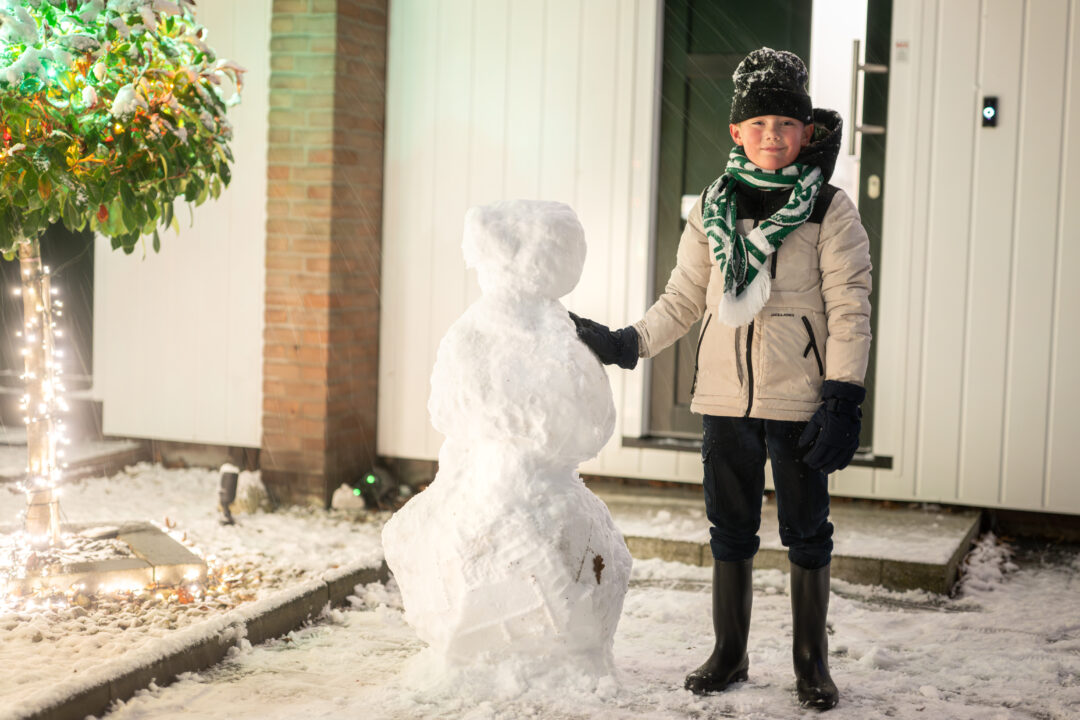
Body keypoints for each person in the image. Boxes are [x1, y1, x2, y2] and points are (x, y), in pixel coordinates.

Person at [571, 47, 871, 711]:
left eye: (785, 124)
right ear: (736, 131)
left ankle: (810, 661)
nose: (772, 135)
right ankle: (729, 652)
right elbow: (684, 298)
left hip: (800, 399)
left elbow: (850, 307)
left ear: (806, 132)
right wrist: (628, 343)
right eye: (758, 123)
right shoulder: (713, 205)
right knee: (730, 529)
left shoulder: (829, 208)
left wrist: (843, 396)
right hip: (724, 399)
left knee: (806, 530)